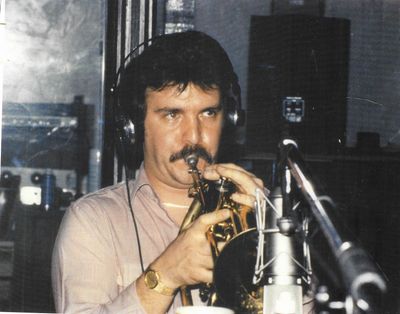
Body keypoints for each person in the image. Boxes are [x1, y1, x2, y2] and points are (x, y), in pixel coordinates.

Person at [51, 30, 265, 313]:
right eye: (172, 115)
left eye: (208, 113)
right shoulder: (93, 221)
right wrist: (165, 274)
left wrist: (277, 237)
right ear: (135, 127)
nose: (194, 137)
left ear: (230, 119)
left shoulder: (256, 212)